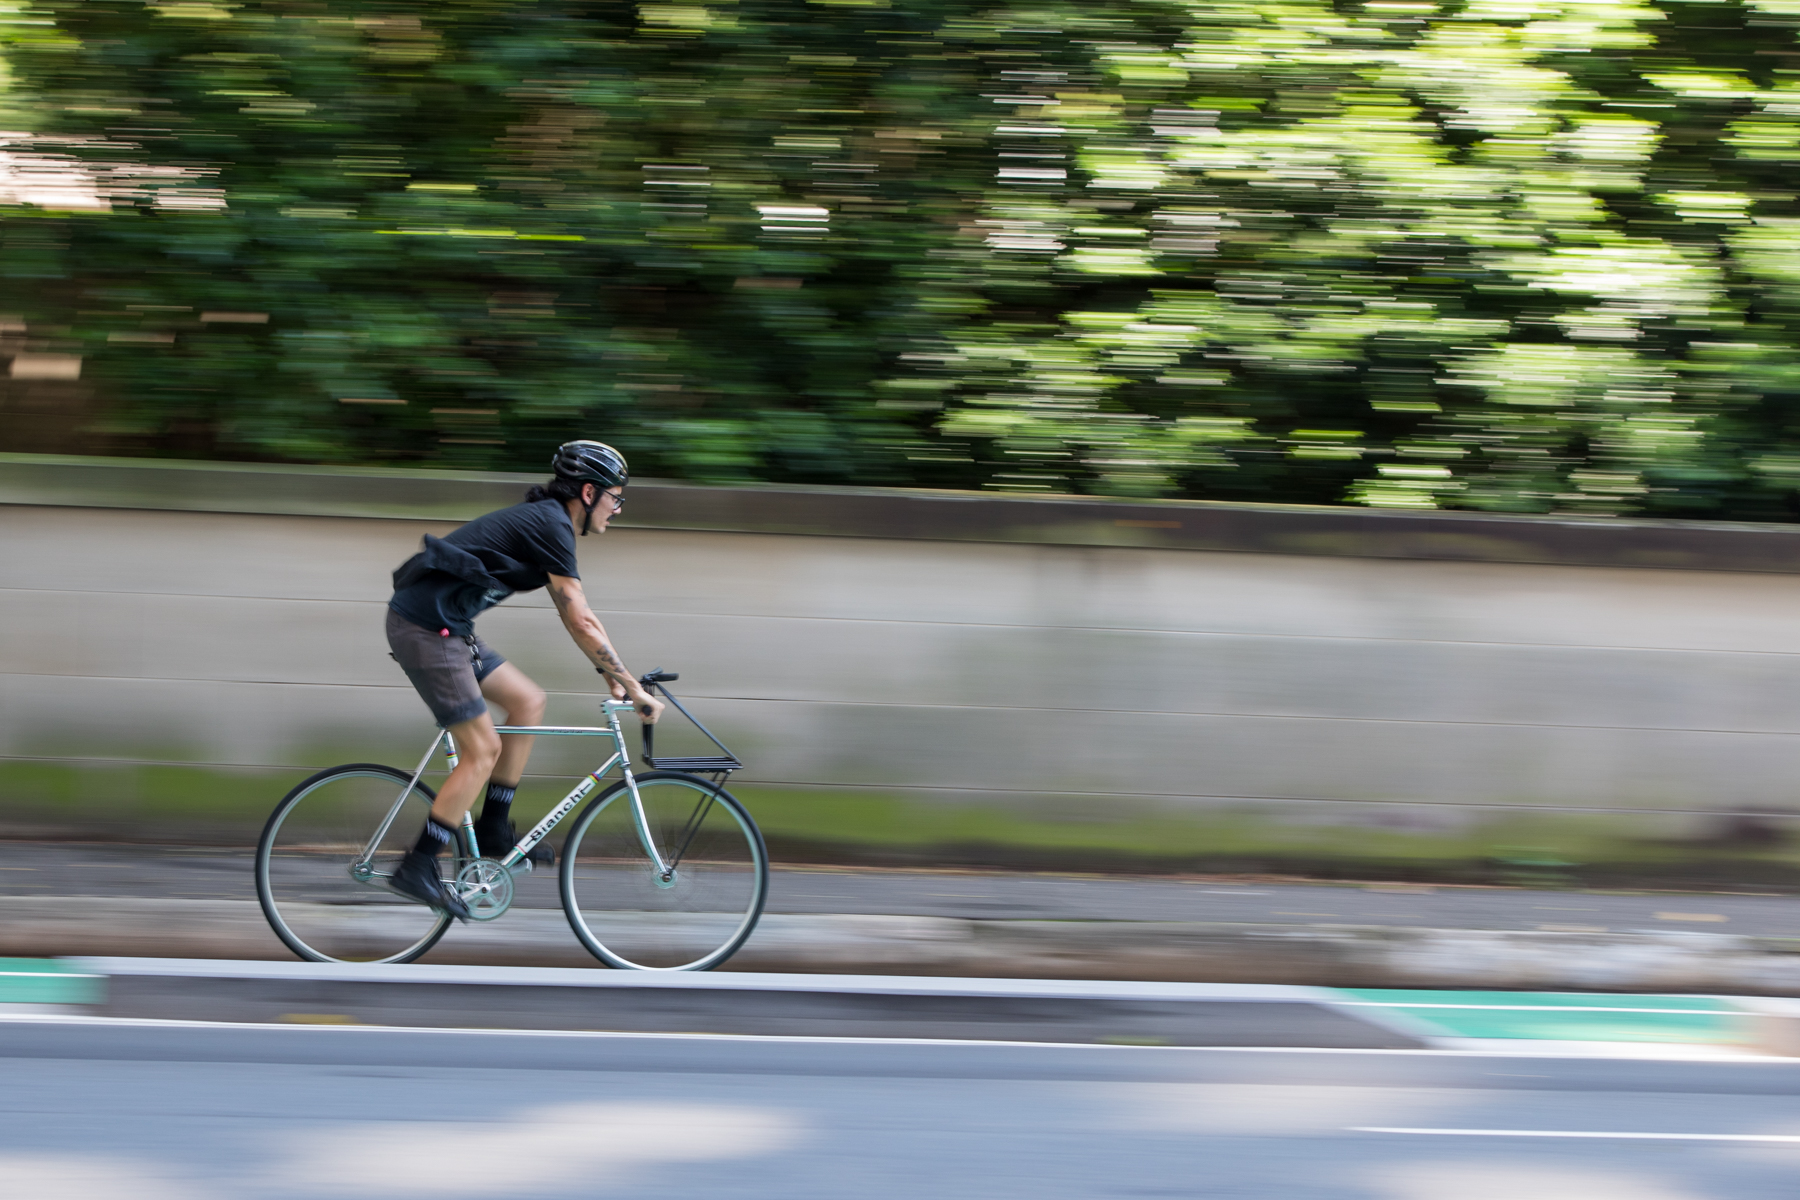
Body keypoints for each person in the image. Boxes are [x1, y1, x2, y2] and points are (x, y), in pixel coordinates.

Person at [384, 439, 664, 919]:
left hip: (451, 630)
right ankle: (419, 864)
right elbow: (579, 616)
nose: (618, 508)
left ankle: (493, 830)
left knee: (528, 701)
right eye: (617, 497)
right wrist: (631, 685)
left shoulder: (551, 524)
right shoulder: (552, 523)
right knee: (482, 749)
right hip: (427, 631)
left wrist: (611, 675)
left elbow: (569, 611)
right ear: (591, 492)